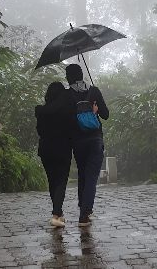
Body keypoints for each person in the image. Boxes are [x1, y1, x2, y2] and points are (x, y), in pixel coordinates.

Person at [65, 63, 109, 227]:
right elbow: (106, 115)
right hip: (95, 139)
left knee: (83, 174)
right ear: (82, 75)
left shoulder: (67, 95)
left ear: (68, 77)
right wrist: (94, 112)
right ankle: (85, 212)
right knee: (91, 176)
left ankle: (83, 207)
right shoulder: (94, 91)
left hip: (78, 142)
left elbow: (67, 120)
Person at [35, 81, 73, 228]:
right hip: (63, 149)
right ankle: (56, 214)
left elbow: (40, 131)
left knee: (52, 181)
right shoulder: (66, 111)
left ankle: (59, 213)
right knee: (61, 181)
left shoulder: (41, 112)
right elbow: (71, 129)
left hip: (46, 149)